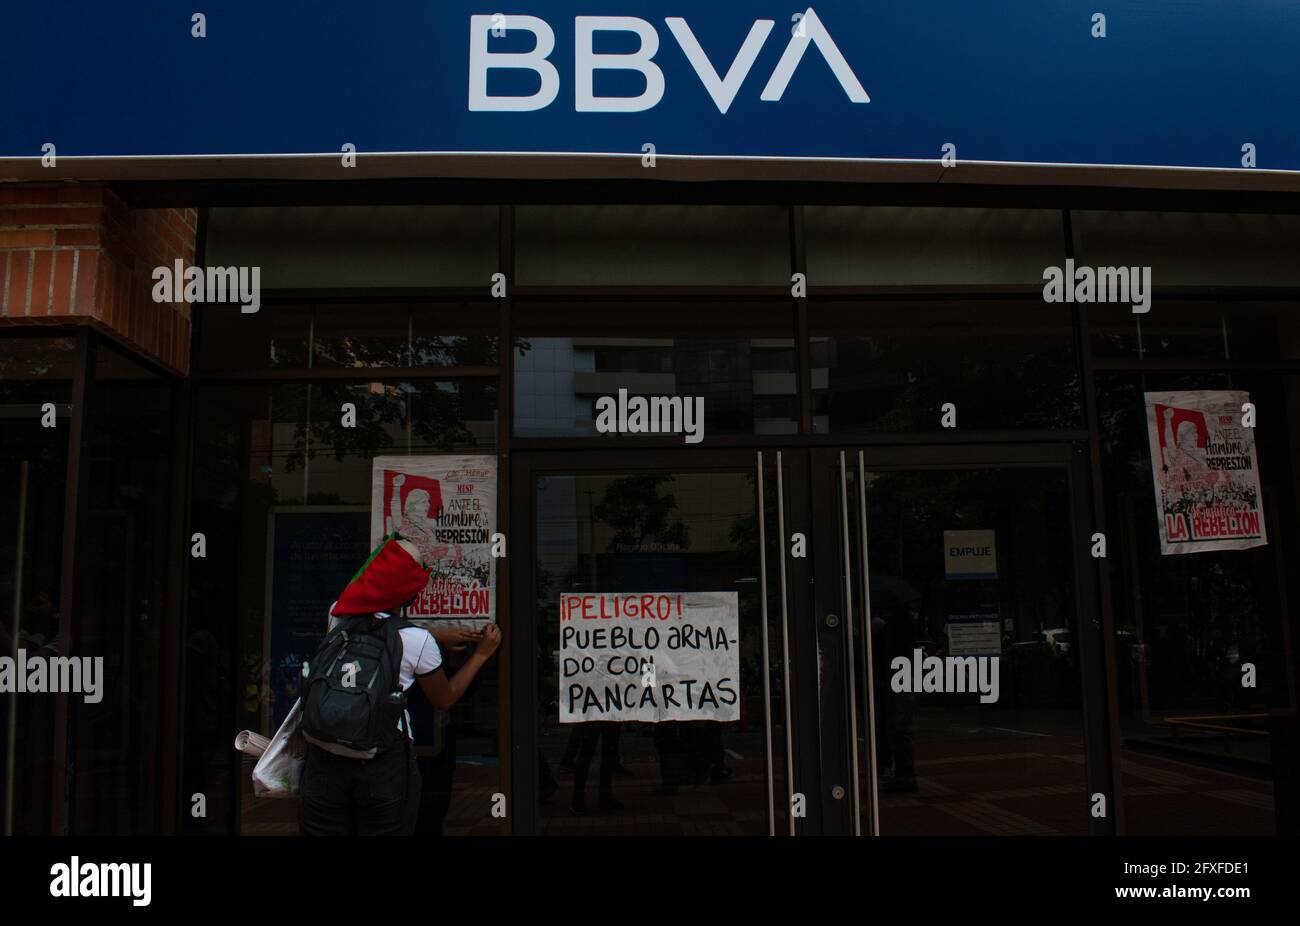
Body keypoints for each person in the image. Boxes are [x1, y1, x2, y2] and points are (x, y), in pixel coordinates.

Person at [298, 535, 500, 836]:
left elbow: (370, 616)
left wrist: (432, 634)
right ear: (409, 594)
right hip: (381, 765)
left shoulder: (336, 613)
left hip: (324, 758)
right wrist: (482, 654)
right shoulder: (418, 642)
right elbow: (445, 698)